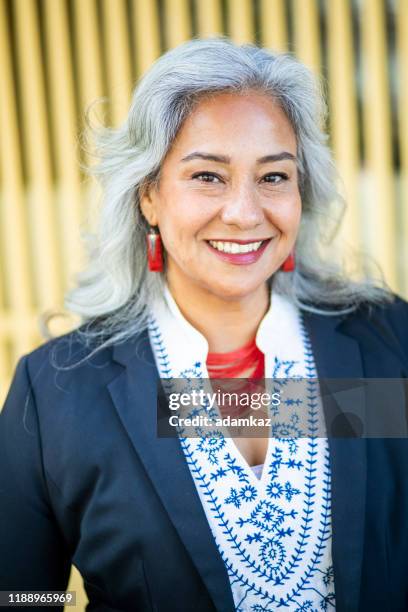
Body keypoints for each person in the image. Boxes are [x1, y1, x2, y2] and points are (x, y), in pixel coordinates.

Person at [1, 37, 407, 612]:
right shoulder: (61, 395)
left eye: (273, 177)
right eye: (208, 177)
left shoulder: (386, 346)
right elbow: (19, 594)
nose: (244, 213)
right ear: (149, 197)